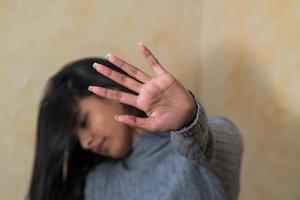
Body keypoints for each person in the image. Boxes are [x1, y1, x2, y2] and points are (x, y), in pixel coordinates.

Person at [27, 43, 244, 200]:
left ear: (110, 92)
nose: (85, 142)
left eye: (84, 122)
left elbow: (209, 145)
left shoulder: (201, 153)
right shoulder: (96, 183)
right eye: (76, 138)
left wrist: (188, 121)